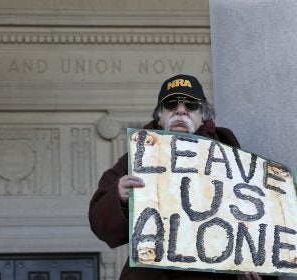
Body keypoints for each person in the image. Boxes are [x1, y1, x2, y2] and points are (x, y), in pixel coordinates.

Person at [89, 74, 277, 280]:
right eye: (171, 104)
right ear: (159, 116)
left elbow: (261, 223)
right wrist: (118, 197)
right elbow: (100, 224)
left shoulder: (231, 157)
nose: (180, 110)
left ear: (203, 116)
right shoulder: (135, 159)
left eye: (191, 105)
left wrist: (257, 266)